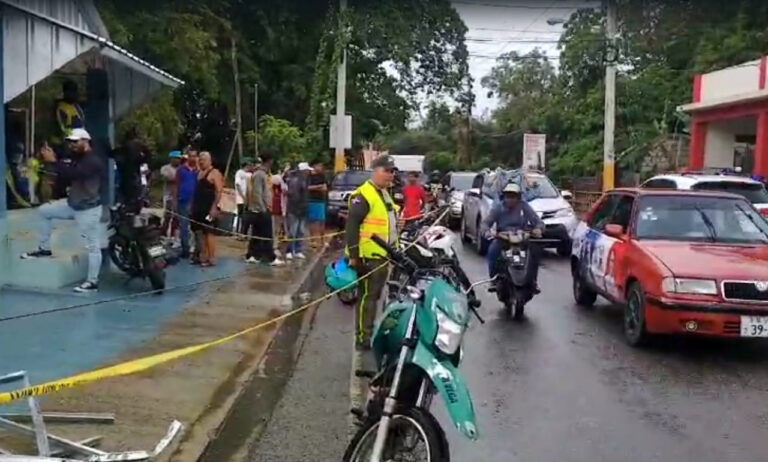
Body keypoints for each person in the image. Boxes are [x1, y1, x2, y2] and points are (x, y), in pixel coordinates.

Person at [21, 128, 103, 293]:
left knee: (93, 246)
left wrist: (52, 161)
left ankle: (92, 282)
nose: (72, 145)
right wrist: (52, 157)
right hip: (72, 204)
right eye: (70, 142)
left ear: (85, 141)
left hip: (88, 210)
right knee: (44, 211)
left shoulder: (93, 161)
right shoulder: (77, 157)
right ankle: (44, 249)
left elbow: (73, 174)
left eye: (75, 141)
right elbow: (63, 171)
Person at [345, 155, 398, 350]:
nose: (391, 175)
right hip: (368, 256)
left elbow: (386, 219)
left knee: (374, 297)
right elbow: (351, 227)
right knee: (367, 298)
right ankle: (362, 337)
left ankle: (368, 331)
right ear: (375, 171)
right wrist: (353, 255)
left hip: (383, 255)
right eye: (387, 171)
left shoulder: (383, 193)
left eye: (392, 171)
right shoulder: (364, 195)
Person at [481, 183, 544, 291]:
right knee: (492, 251)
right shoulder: (498, 208)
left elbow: (538, 221)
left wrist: (538, 229)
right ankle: (494, 280)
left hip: (522, 237)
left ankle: (533, 281)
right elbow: (486, 223)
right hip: (503, 238)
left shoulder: (524, 206)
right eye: (508, 196)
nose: (510, 199)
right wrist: (487, 232)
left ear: (518, 197)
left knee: (534, 252)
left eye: (513, 197)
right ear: (504, 197)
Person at [245, 151, 283, 266]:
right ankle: (270, 257)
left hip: (261, 208)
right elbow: (257, 193)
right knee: (267, 234)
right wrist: (263, 208)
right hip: (260, 209)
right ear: (270, 161)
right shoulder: (259, 174)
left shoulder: (263, 174)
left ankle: (253, 255)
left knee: (257, 233)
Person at [190, 152, 223, 267]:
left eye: (204, 160)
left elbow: (219, 191)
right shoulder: (199, 173)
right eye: (200, 160)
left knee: (209, 232)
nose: (201, 162)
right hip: (198, 206)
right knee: (199, 231)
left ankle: (212, 257)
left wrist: (214, 207)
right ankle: (202, 255)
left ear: (210, 161)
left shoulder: (215, 173)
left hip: (209, 206)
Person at [284, 162, 312, 260]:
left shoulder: (304, 180)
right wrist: (299, 208)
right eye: (307, 170)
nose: (308, 172)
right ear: (303, 171)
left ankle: (298, 250)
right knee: (293, 231)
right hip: (294, 209)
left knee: (300, 231)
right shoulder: (295, 181)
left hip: (302, 210)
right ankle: (289, 250)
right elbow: (294, 196)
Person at [175, 151, 198, 259]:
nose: (193, 158)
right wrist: (176, 200)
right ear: (188, 157)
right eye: (191, 156)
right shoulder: (181, 169)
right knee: (183, 226)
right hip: (183, 201)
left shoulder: (199, 170)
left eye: (195, 156)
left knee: (196, 227)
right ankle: (185, 250)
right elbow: (177, 185)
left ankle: (196, 250)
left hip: (196, 202)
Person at [307, 158, 328, 249]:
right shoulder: (308, 176)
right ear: (314, 166)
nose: (320, 167)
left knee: (321, 221)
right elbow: (307, 187)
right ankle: (313, 240)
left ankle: (322, 241)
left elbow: (325, 188)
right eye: (319, 165)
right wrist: (318, 187)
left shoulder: (322, 176)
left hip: (321, 201)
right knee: (312, 221)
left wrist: (320, 188)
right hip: (311, 200)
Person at [160, 151, 182, 238]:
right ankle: (163, 232)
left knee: (176, 216)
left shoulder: (181, 168)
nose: (178, 160)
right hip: (169, 195)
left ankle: (173, 235)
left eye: (179, 159)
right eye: (176, 158)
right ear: (172, 159)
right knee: (167, 215)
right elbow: (168, 178)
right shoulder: (165, 168)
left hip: (179, 195)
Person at [271, 165, 290, 260]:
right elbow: (277, 180)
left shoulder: (283, 185)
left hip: (283, 209)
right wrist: (283, 174)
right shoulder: (276, 182)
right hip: (276, 209)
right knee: (275, 229)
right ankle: (274, 247)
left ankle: (276, 245)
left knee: (280, 230)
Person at [234, 157, 254, 237]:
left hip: (248, 198)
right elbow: (238, 185)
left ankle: (243, 232)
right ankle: (238, 232)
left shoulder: (249, 174)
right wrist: (243, 196)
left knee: (246, 216)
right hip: (241, 199)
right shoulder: (239, 173)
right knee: (241, 215)